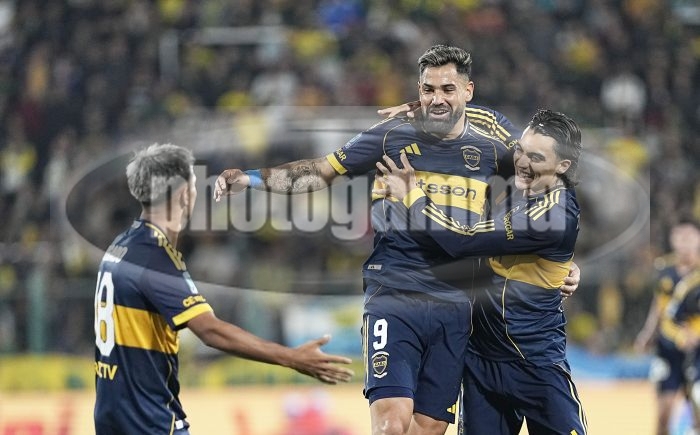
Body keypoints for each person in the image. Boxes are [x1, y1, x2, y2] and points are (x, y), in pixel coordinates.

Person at [214, 44, 579, 435]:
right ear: (418, 90)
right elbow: (320, 172)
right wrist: (250, 178)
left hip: (457, 306)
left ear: (468, 91)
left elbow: (541, 178)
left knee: (430, 428)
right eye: (428, 89)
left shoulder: (496, 144)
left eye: (447, 89)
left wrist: (559, 262)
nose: (436, 98)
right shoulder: (390, 136)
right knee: (391, 423)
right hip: (395, 292)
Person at [93, 143, 354, 434]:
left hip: (113, 416)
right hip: (149, 420)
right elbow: (210, 331)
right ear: (183, 194)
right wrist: (292, 357)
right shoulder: (155, 256)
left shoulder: (121, 246)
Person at [375, 108, 587, 434]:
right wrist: (428, 104)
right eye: (521, 150)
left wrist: (412, 195)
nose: (522, 161)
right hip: (481, 364)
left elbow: (463, 240)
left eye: (536, 157)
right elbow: (493, 121)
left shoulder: (553, 216)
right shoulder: (520, 181)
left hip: (535, 366)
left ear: (563, 166)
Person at [637, 220, 700, 435]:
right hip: (669, 348)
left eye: (689, 237)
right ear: (672, 239)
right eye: (679, 237)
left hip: (696, 349)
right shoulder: (664, 269)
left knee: (697, 406)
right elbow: (659, 306)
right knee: (663, 413)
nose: (684, 242)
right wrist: (647, 333)